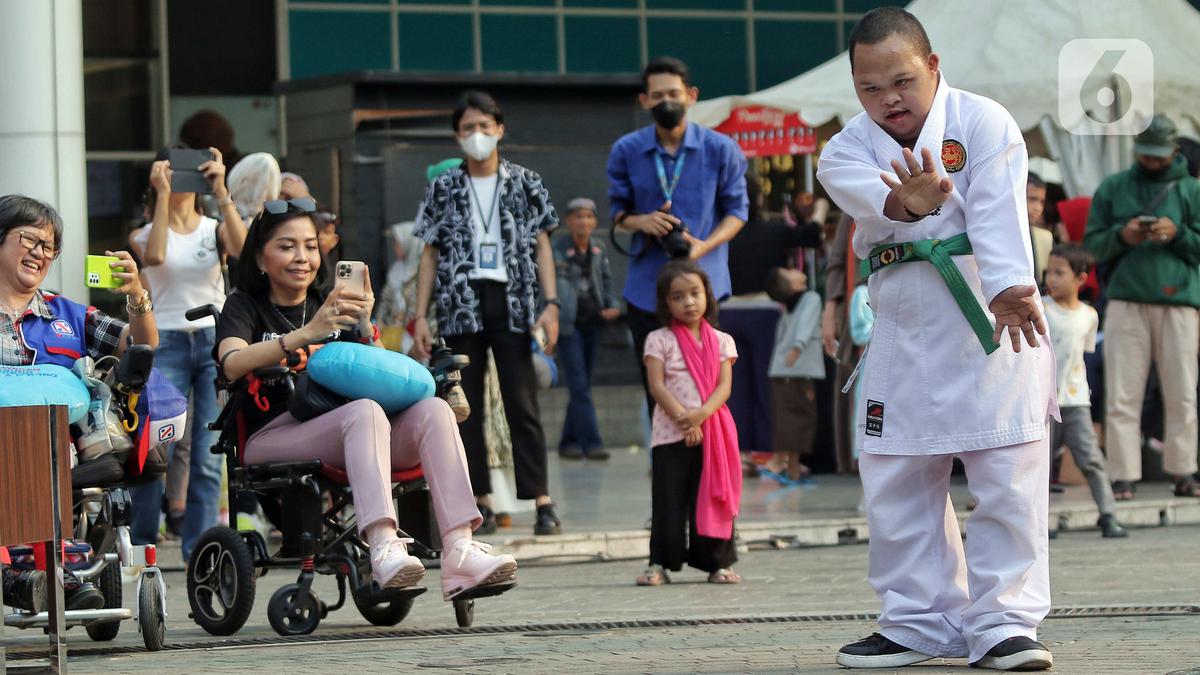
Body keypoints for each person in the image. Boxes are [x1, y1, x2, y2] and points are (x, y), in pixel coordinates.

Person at [816, 8, 1057, 670]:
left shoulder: (984, 122)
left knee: (1006, 471)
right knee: (894, 474)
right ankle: (918, 619)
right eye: (870, 88)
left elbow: (998, 209)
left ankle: (1004, 620)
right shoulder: (844, 149)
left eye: (901, 80)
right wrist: (911, 204)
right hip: (902, 326)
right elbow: (875, 201)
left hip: (989, 316)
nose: (888, 99)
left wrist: (1011, 284)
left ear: (933, 66)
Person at [213, 198, 518, 597]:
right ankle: (383, 546)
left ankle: (459, 551)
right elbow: (232, 363)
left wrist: (363, 324)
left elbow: (374, 376)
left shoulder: (333, 302)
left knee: (432, 410)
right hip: (272, 435)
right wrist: (304, 336)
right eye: (286, 246)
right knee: (364, 412)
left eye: (309, 246)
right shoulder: (245, 305)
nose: (302, 257)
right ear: (259, 257)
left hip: (353, 430)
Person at [412, 91, 563, 536]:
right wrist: (421, 314)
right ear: (457, 136)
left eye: (484, 126)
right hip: (460, 301)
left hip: (514, 301)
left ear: (500, 129)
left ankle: (542, 499)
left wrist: (551, 305)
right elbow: (428, 252)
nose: (476, 136)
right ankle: (478, 499)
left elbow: (543, 245)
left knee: (523, 401)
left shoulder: (525, 181)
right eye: (467, 129)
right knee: (465, 404)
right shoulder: (443, 186)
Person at [0, 194, 158, 611]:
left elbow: (140, 345)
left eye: (49, 247)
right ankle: (25, 568)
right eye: (29, 239)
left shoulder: (67, 314)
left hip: (58, 446)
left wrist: (137, 294)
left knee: (45, 441)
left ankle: (40, 567)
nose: (40, 253)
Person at [607, 56, 749, 419]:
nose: (665, 102)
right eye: (657, 96)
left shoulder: (721, 149)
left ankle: (707, 467)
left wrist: (704, 245)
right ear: (644, 101)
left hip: (704, 291)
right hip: (646, 292)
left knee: (707, 390)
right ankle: (664, 466)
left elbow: (738, 212)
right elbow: (618, 216)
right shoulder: (626, 150)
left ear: (691, 95)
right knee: (657, 394)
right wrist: (643, 221)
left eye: (673, 93)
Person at [128, 146, 246, 561]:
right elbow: (156, 256)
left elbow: (246, 252)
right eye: (173, 171)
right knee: (157, 443)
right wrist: (162, 195)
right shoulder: (143, 233)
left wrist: (221, 189)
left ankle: (199, 549)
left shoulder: (214, 228)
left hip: (213, 338)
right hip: (168, 340)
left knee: (208, 452)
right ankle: (143, 542)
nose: (182, 179)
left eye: (188, 172)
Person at [1083, 114, 1200, 500]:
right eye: (1145, 154)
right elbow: (1092, 246)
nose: (1151, 161)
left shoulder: (1192, 191)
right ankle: (1123, 476)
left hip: (1179, 301)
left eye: (1158, 155)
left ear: (1174, 151)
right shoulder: (1114, 188)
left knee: (1181, 391)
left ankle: (1184, 471)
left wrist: (1177, 233)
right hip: (1126, 300)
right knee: (1122, 392)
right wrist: (1124, 235)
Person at [636, 260, 740, 586]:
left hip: (713, 432)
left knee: (711, 495)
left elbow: (724, 387)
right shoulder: (658, 339)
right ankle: (658, 564)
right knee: (667, 498)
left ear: (707, 295)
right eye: (678, 296)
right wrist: (685, 419)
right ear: (666, 303)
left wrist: (700, 415)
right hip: (670, 433)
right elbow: (657, 385)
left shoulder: (723, 341)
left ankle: (717, 564)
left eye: (695, 293)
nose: (689, 302)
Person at [1042, 245, 1127, 538]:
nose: (1051, 279)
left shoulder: (1089, 315)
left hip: (1076, 400)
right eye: (1048, 272)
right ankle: (1040, 521)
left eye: (1059, 273)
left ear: (1080, 278)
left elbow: (1083, 353)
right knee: (1040, 465)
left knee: (1091, 458)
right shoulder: (1040, 308)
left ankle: (1108, 514)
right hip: (1042, 401)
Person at [553, 197, 620, 460]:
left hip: (594, 322)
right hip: (568, 325)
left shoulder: (598, 248)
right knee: (579, 383)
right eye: (578, 216)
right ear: (568, 221)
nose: (583, 221)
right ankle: (592, 442)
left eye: (588, 216)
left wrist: (612, 304)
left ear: (595, 221)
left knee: (583, 384)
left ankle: (568, 441)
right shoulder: (558, 250)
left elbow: (606, 279)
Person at [760, 267, 823, 483]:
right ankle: (787, 466)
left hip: (781, 370)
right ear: (795, 285)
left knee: (786, 418)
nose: (793, 268)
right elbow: (805, 325)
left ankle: (789, 466)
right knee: (801, 417)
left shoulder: (789, 305)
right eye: (789, 271)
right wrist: (797, 348)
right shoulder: (811, 298)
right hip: (797, 369)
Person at [226, 152, 282, 222]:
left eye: (267, 186)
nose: (260, 192)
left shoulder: (278, 224)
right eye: (254, 183)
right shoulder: (225, 223)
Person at [1027, 172, 1054, 285]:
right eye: (1032, 199)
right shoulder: (996, 235)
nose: (1038, 208)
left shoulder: (1045, 238)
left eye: (1042, 202)